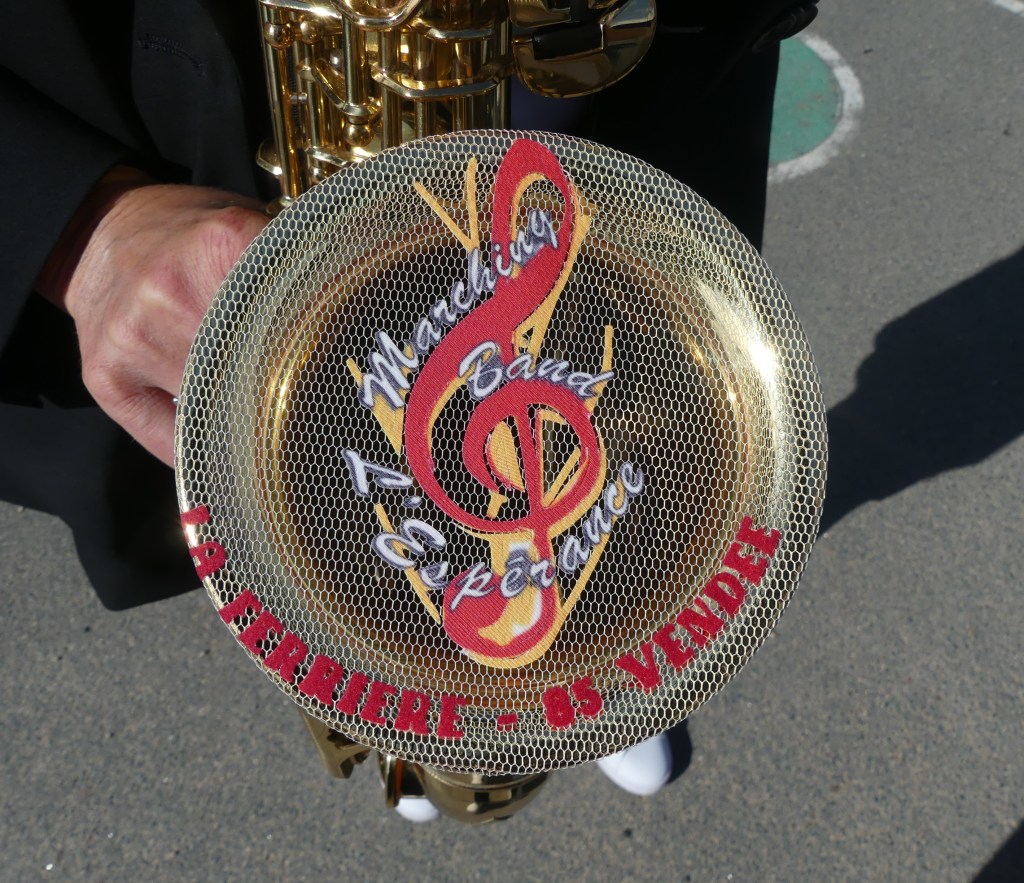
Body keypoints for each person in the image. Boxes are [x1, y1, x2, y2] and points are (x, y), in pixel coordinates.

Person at [0, 0, 816, 816]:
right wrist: (81, 228)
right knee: (350, 500)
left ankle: (603, 652)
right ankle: (430, 696)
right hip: (235, 163)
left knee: (658, 430)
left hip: (644, 82)